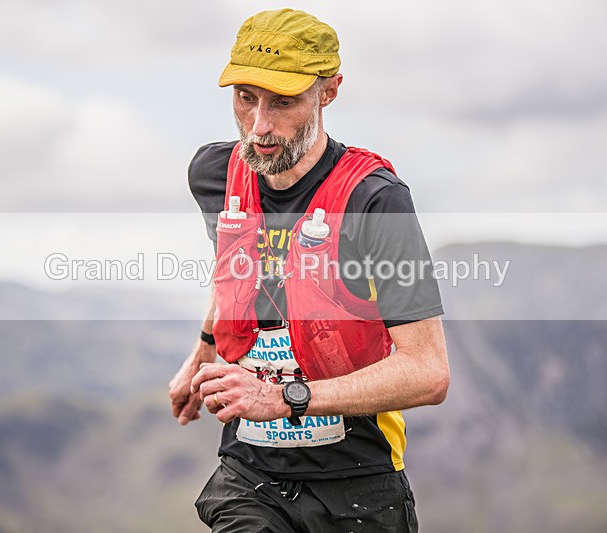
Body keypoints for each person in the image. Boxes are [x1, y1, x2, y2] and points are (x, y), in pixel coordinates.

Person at [168, 8, 449, 532]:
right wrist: (202, 349)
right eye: (245, 98)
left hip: (357, 486)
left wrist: (281, 398)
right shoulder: (214, 175)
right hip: (250, 475)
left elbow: (428, 372)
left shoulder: (376, 201)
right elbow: (237, 271)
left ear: (329, 91)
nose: (260, 127)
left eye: (284, 101)